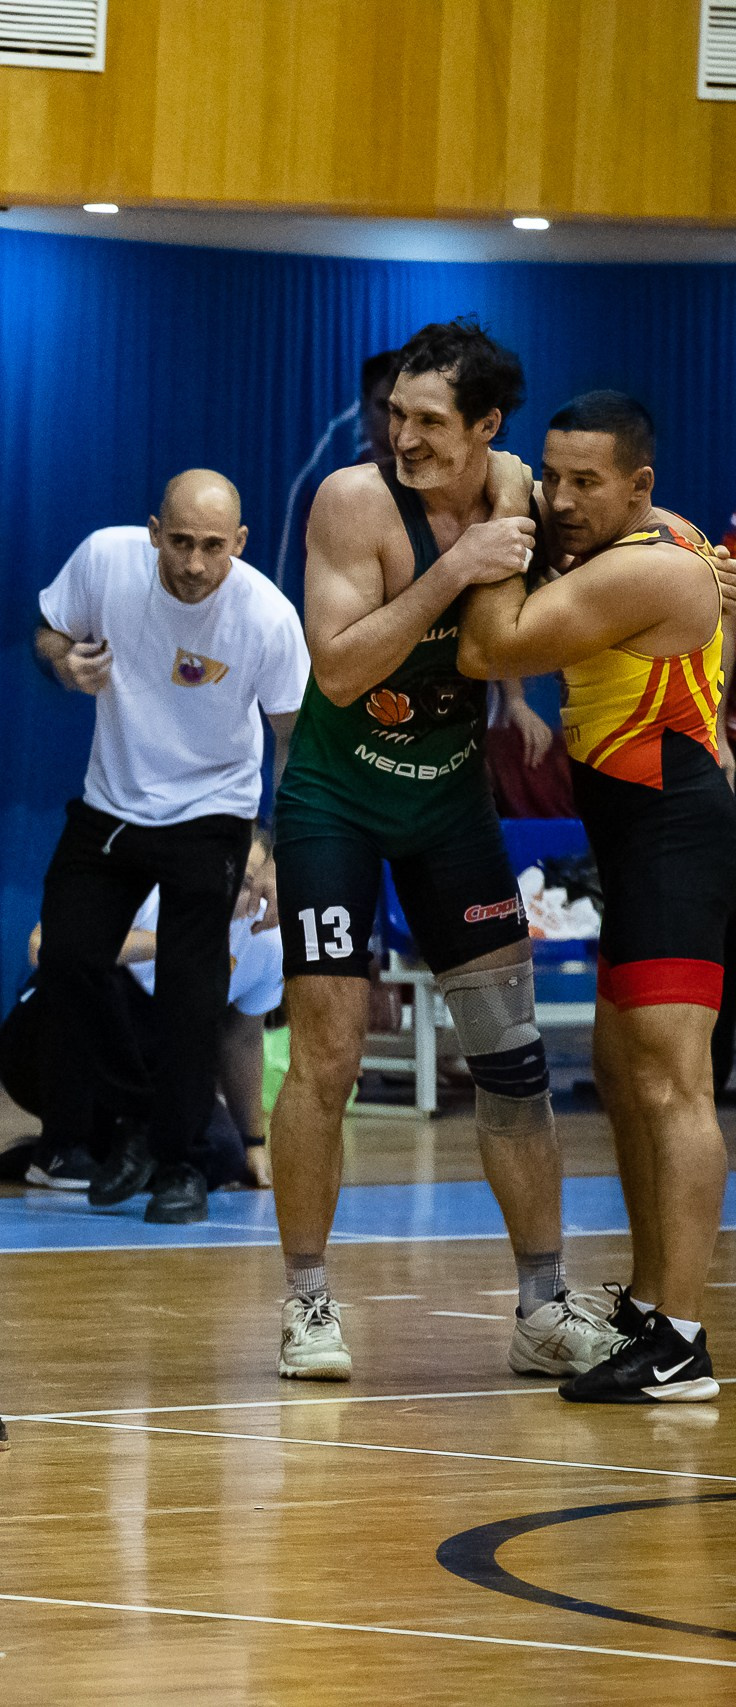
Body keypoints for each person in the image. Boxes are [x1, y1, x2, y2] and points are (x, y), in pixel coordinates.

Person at [271, 318, 621, 1385]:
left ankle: (541, 1305)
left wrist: (701, 567)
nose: (405, 437)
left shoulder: (519, 491)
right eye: (396, 415)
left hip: (450, 805)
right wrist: (456, 567)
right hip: (336, 801)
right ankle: (307, 1302)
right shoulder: (352, 502)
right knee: (327, 1056)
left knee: (513, 1059)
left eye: (430, 420)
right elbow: (338, 671)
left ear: (486, 427)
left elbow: (615, 541)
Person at [456, 390, 725, 1404]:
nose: (561, 500)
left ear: (638, 485)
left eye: (585, 482)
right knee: (621, 1073)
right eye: (553, 476)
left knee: (672, 1087)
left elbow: (488, 649)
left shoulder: (644, 566)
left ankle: (682, 1342)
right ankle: (652, 1304)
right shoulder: (665, 546)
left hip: (671, 842)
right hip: (640, 838)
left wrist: (502, 519)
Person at [30, 471, 308, 1223]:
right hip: (111, 803)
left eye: (213, 546)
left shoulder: (266, 617)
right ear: (154, 531)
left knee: (192, 988)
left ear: (239, 543)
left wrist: (277, 852)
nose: (193, 563)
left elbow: (294, 739)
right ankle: (137, 1118)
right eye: (179, 542)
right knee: (67, 956)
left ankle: (181, 1164)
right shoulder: (105, 559)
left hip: (212, 812)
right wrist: (63, 662)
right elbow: (47, 630)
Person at [0, 830, 284, 1193]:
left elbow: (242, 1040)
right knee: (87, 976)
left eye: (242, 884)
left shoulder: (266, 942)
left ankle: (90, 1154)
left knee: (222, 1156)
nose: (224, 891)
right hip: (41, 1050)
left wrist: (253, 1142)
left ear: (261, 890)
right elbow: (43, 946)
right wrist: (170, 942)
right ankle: (61, 1147)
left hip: (149, 1065)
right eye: (218, 872)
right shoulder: (142, 887)